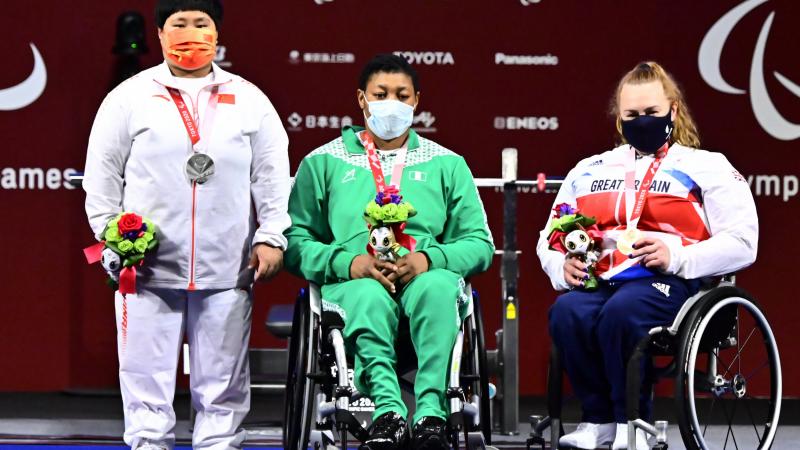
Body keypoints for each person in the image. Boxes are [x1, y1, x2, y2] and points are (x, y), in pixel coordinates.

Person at [82, 1, 291, 448]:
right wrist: (110, 238)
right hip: (148, 267)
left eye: (201, 23)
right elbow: (101, 174)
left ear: (218, 33)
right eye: (179, 24)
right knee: (145, 382)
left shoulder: (250, 100)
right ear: (159, 33)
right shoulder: (129, 97)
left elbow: (271, 176)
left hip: (226, 266)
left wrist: (271, 236)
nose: (190, 33)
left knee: (222, 387)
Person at [536, 62, 758, 450]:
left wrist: (676, 255)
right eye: (632, 115)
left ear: (672, 110)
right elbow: (547, 237)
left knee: (623, 311)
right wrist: (561, 264)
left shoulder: (706, 166)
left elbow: (743, 242)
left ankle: (632, 422)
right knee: (568, 311)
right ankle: (599, 421)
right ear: (619, 119)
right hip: (602, 281)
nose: (643, 122)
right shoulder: (589, 169)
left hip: (675, 284)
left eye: (652, 113)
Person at [284, 54, 494, 450]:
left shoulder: (447, 164)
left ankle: (431, 414)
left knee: (436, 288)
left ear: (417, 101)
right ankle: (388, 413)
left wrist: (428, 260)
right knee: (367, 294)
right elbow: (295, 243)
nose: (391, 103)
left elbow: (479, 245)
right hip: (355, 285)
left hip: (423, 278)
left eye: (402, 95)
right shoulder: (322, 162)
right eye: (381, 94)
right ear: (362, 99)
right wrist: (350, 263)